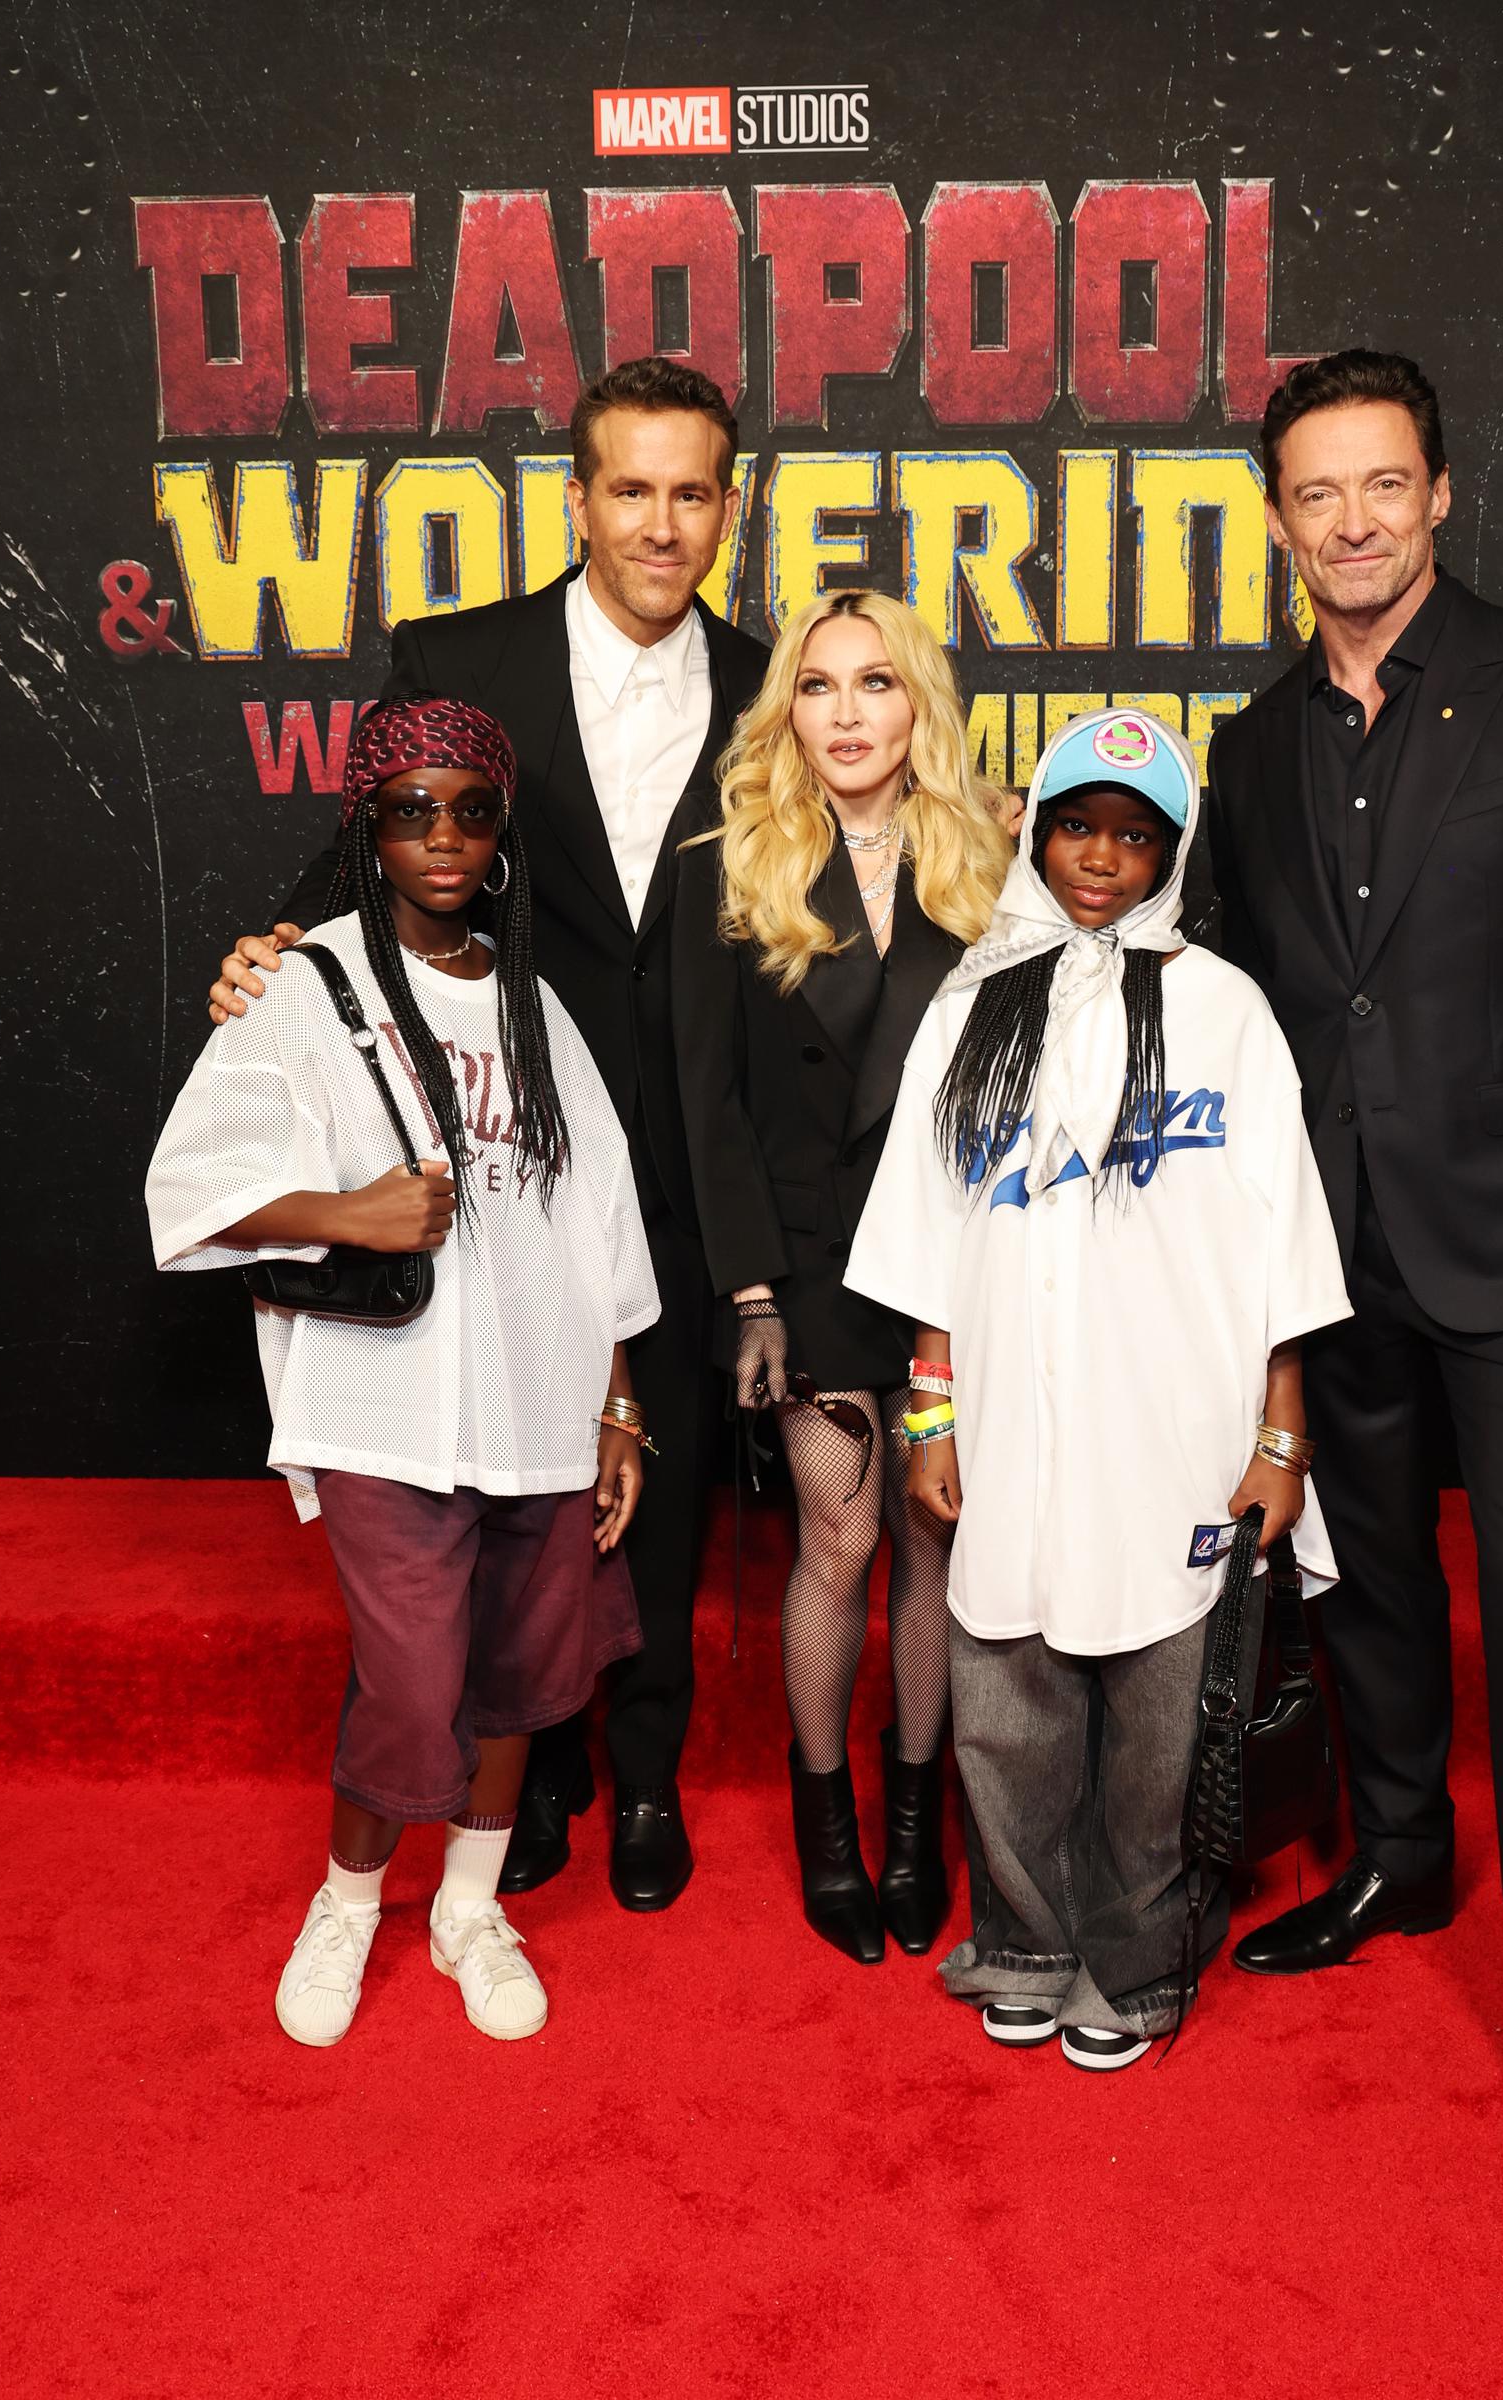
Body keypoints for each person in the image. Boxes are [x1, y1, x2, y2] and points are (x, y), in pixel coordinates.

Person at [1194, 350, 1503, 2204]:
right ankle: (1402, 1856)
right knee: (1374, 1584)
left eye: (1381, 486)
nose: (1350, 522)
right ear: (1276, 519)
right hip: (1333, 1260)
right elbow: (1242, 1023)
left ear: (1440, 494)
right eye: (1314, 494)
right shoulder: (1245, 752)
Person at [207, 358, 771, 1911]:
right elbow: (374, 846)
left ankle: (644, 1776)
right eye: (632, 489)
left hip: (688, 1150)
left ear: (728, 505)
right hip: (505, 1141)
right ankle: (530, 1782)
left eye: (692, 492)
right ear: (577, 498)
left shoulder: (770, 677)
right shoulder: (461, 654)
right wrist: (273, 951)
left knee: (653, 1468)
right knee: (504, 1480)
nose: (662, 524)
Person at [147, 695, 660, 2046]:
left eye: (470, 809)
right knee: (415, 1680)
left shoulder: (533, 997)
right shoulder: (305, 982)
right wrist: (345, 1210)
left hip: (541, 1398)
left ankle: (469, 1908)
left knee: (516, 1679)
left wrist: (616, 1400)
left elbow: (595, 1215)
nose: (442, 835)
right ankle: (349, 1899)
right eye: (409, 809)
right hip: (383, 1402)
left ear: (501, 835)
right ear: (365, 827)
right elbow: (187, 1190)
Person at [846, 707, 1351, 2067]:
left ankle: (1132, 1961)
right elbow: (928, 1231)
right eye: (1078, 825)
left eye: (1135, 837)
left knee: (1155, 1720)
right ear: (1037, 828)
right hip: (1007, 1405)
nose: (1101, 859)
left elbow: (1284, 1245)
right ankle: (1023, 1938)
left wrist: (1277, 1436)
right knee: (1006, 1696)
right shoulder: (972, 1001)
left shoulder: (1223, 1009)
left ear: (1171, 854)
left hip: (1175, 1416)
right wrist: (933, 1410)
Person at [672, 590, 1013, 1964]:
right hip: (806, 1264)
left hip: (951, 1265)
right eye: (818, 688)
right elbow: (708, 1103)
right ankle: (827, 1825)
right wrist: (748, 1289)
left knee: (938, 1540)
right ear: (786, 710)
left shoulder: (989, 857)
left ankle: (919, 1821)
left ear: (915, 700)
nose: (849, 713)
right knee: (841, 1538)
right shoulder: (730, 858)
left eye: (877, 684)